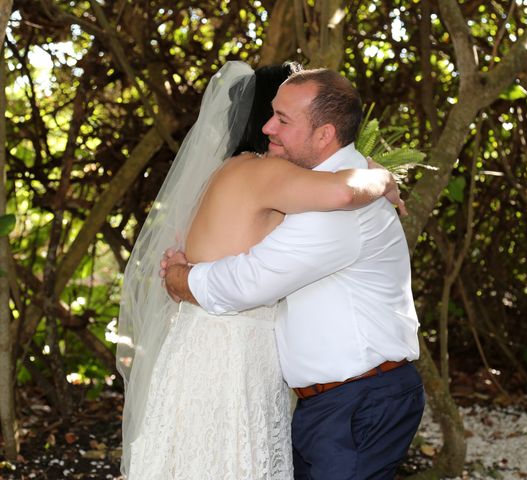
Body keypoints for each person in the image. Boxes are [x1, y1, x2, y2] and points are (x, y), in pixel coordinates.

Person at [116, 61, 403, 479]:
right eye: (271, 114)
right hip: (235, 352)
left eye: (282, 118)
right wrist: (382, 176)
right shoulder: (268, 174)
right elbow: (343, 190)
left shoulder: (221, 174)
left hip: (192, 346)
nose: (272, 126)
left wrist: (181, 275)